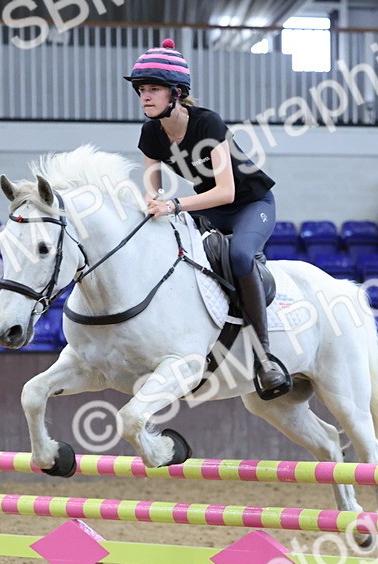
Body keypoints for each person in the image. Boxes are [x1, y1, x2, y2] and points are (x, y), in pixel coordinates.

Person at [126, 38, 290, 399]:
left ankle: (266, 359)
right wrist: (152, 203)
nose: (145, 97)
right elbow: (152, 187)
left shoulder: (208, 123)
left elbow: (226, 192)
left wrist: (173, 206)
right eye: (141, 90)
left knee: (240, 257)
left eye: (153, 89)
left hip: (249, 204)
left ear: (177, 93)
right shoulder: (151, 132)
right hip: (209, 209)